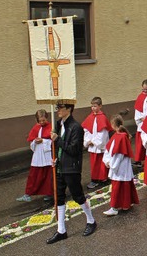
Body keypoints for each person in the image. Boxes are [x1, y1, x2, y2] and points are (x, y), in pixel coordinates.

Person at [47, 102, 97, 244]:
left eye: (61, 108)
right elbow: (56, 146)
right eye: (57, 108)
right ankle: (61, 230)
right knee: (60, 196)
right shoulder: (58, 124)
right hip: (60, 166)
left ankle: (91, 220)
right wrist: (55, 157)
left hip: (71, 167)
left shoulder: (76, 127)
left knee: (78, 196)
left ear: (69, 109)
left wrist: (59, 140)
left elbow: (74, 150)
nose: (58, 111)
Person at [102, 114, 139, 216]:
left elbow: (119, 154)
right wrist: (107, 161)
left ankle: (114, 207)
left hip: (119, 167)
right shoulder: (119, 135)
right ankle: (126, 204)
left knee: (117, 188)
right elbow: (110, 150)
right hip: (120, 166)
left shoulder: (120, 137)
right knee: (124, 186)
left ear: (113, 124)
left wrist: (112, 164)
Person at [17, 109, 53, 203]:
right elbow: (31, 141)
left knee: (48, 176)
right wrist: (35, 141)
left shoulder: (51, 127)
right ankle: (27, 194)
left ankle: (49, 194)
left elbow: (53, 141)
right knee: (34, 176)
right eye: (40, 121)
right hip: (38, 156)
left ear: (47, 118)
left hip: (47, 155)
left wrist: (43, 141)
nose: (42, 122)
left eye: (43, 120)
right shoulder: (36, 128)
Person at [81, 97, 112, 189]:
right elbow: (86, 130)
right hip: (92, 145)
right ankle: (94, 179)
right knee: (94, 163)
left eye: (95, 106)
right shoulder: (90, 117)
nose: (93, 108)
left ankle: (103, 178)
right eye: (92, 106)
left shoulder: (102, 117)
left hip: (99, 145)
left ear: (100, 106)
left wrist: (94, 142)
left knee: (101, 162)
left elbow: (103, 134)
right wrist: (87, 141)